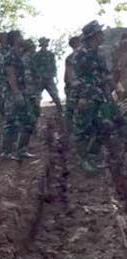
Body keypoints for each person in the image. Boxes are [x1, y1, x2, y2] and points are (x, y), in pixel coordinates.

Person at [73, 20, 127, 171]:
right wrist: (83, 97)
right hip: (88, 96)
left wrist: (115, 85)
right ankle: (84, 160)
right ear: (93, 35)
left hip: (103, 95)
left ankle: (94, 156)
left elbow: (106, 75)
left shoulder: (98, 53)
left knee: (113, 125)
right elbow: (78, 77)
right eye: (99, 32)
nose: (102, 34)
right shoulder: (81, 54)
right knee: (83, 128)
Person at [1, 30, 36, 161]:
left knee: (29, 121)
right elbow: (11, 75)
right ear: (16, 39)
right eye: (21, 36)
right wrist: (16, 93)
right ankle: (6, 152)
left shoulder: (18, 54)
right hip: (13, 94)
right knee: (11, 123)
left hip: (21, 92)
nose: (22, 38)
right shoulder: (11, 56)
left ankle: (21, 150)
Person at [35, 37, 63, 114]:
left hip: (49, 78)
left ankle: (60, 111)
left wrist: (55, 75)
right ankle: (36, 112)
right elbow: (35, 67)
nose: (46, 44)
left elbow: (53, 66)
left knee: (55, 95)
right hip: (41, 78)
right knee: (37, 97)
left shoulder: (50, 54)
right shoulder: (37, 55)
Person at [22, 39, 44, 126]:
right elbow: (32, 71)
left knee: (31, 108)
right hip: (31, 86)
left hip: (30, 86)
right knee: (34, 107)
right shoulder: (30, 57)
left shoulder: (26, 57)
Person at [64, 36, 82, 134]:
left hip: (73, 87)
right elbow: (68, 76)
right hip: (78, 87)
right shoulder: (82, 55)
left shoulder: (69, 58)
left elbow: (66, 77)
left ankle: (70, 133)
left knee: (71, 111)